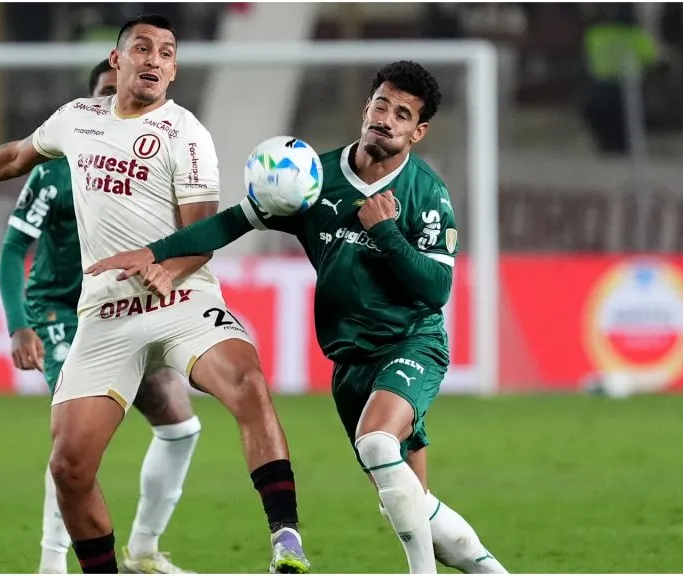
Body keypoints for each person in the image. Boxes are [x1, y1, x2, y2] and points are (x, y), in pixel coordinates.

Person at [0, 14, 310, 575]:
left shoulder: (185, 133)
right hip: (106, 313)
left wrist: (170, 266)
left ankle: (285, 538)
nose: (155, 59)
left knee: (247, 384)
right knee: (69, 466)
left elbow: (202, 229)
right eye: (142, 48)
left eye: (166, 53)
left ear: (173, 70)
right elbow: (17, 154)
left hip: (180, 300)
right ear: (117, 61)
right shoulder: (77, 119)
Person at [88, 61, 508, 575]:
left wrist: (387, 232)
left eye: (403, 114)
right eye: (382, 104)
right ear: (366, 107)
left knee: (377, 442)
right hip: (351, 364)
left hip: (410, 345)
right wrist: (154, 252)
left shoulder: (427, 194)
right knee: (408, 502)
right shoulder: (313, 180)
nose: (387, 119)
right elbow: (228, 225)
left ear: (418, 132)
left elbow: (436, 289)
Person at [0, 59, 196, 574]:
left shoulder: (160, 160)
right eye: (106, 92)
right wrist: (19, 323)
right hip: (61, 308)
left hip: (123, 308)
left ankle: (145, 553)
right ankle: (51, 563)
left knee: (181, 426)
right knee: (76, 442)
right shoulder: (53, 169)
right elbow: (14, 246)